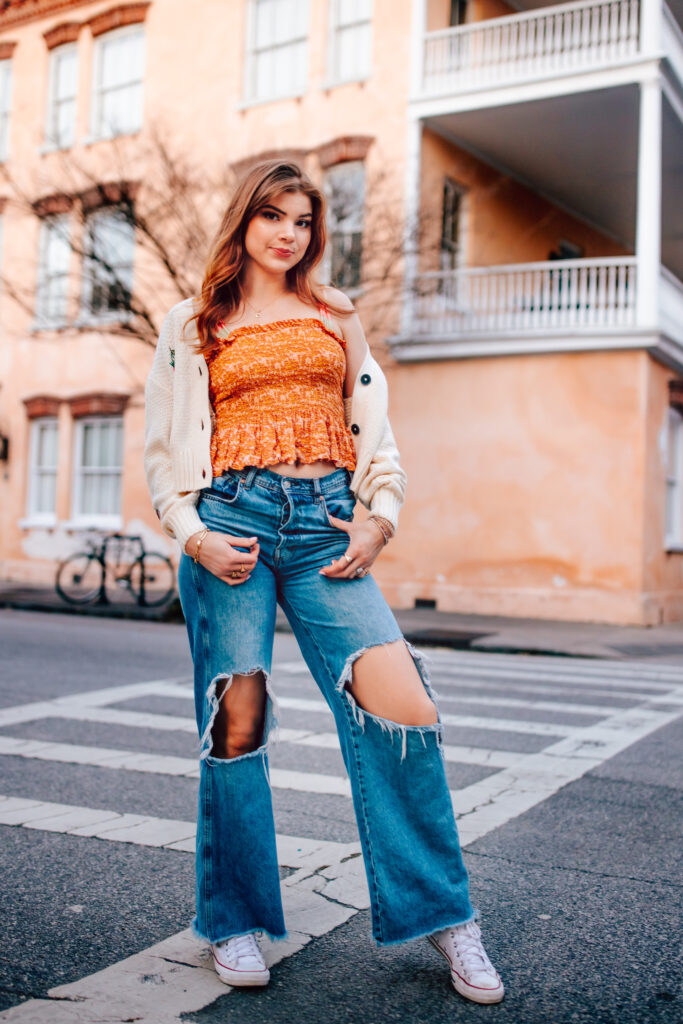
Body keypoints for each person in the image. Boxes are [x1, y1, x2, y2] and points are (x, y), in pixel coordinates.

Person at [144, 160, 504, 1005]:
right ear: (244, 221)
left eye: (303, 220)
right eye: (272, 215)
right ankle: (232, 918)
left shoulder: (335, 313)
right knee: (236, 722)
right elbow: (163, 451)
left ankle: (446, 914)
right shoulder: (192, 323)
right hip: (232, 523)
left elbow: (375, 431)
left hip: (325, 528)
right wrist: (194, 538)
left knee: (402, 708)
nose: (287, 233)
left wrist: (380, 516)